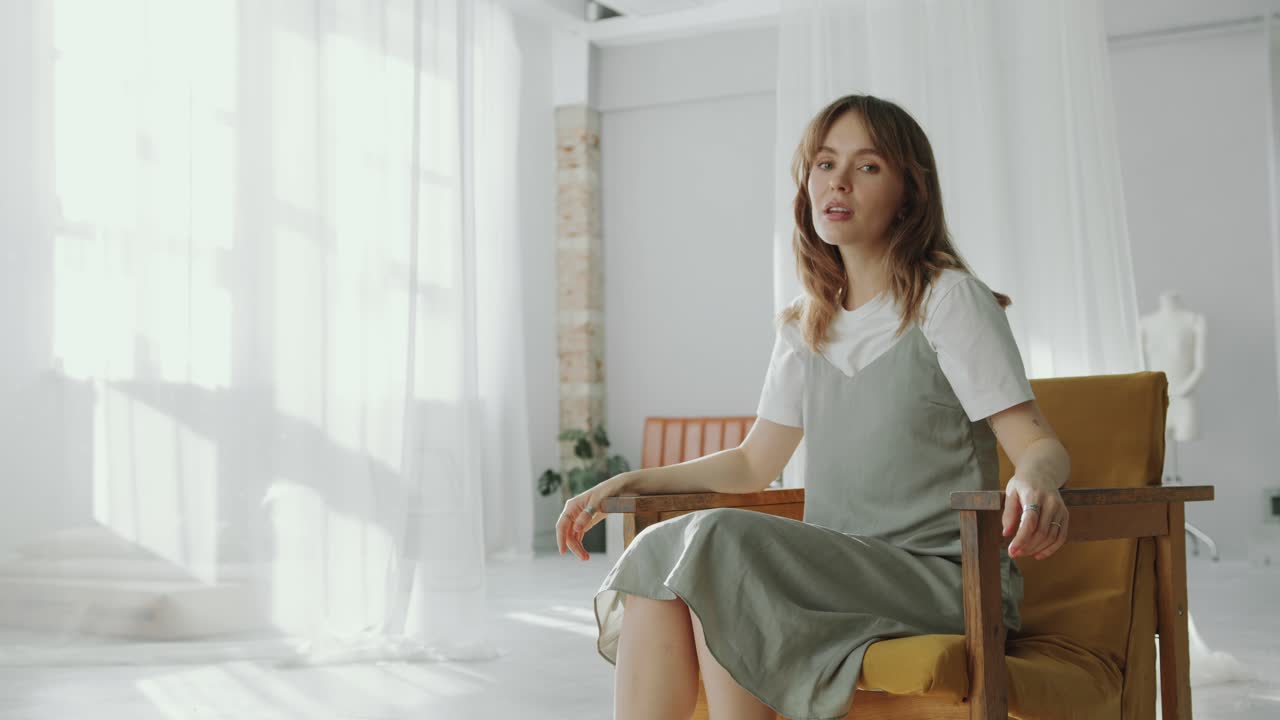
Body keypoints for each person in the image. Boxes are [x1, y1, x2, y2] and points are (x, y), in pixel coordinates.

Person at [557, 94, 1072, 720]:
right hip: (833, 573)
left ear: (910, 191)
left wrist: (1035, 480)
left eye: (868, 167)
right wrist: (633, 479)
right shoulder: (806, 325)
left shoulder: (949, 300)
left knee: (718, 544)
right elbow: (753, 464)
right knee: (664, 546)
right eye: (825, 164)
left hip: (943, 580)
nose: (839, 182)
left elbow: (1039, 446)